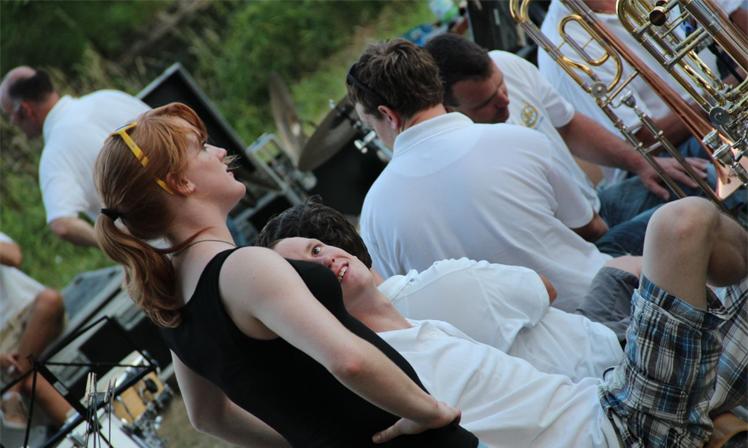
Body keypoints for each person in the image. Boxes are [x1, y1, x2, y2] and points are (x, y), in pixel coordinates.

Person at [93, 102, 531, 448]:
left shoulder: (172, 302)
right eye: (202, 147)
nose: (222, 152)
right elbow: (348, 360)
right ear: (181, 182)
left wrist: (317, 446)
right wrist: (427, 410)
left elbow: (207, 417)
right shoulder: (243, 268)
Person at [266, 195, 748, 448]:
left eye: (316, 248)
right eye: (306, 270)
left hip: (611, 402)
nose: (323, 259)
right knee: (680, 223)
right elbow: (275, 422)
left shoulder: (416, 325)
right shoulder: (369, 371)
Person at [348, 38, 633, 311]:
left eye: (371, 125)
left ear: (389, 115)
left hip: (514, 342)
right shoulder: (520, 140)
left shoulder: (374, 213)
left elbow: (405, 305)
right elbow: (592, 228)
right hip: (603, 297)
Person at [257, 198, 626, 380]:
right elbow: (546, 288)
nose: (323, 259)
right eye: (312, 259)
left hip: (579, 384)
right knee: (626, 263)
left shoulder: (365, 360)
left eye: (316, 249)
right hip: (602, 363)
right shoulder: (445, 281)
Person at [424, 33, 709, 227]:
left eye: (501, 84)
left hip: (597, 206)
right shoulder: (463, 152)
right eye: (486, 103)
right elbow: (575, 233)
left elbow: (569, 126)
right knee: (696, 215)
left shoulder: (507, 62)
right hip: (583, 239)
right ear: (448, 109)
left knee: (707, 176)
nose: (504, 100)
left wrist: (642, 163)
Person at [537, 0, 744, 159]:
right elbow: (647, 141)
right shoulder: (564, 44)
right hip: (678, 149)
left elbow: (734, 15)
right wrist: (730, 89)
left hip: (721, 100)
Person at [0, 66, 150, 247]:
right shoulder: (110, 97)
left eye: (9, 115)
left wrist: (122, 245)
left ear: (25, 110)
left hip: (158, 246)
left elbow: (62, 225)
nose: (12, 123)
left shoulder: (54, 155)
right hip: (183, 208)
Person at [0, 233, 71, 428]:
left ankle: (13, 389)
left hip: (31, 313)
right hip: (3, 342)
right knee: (33, 382)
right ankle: (92, 434)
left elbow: (14, 256)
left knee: (50, 299)